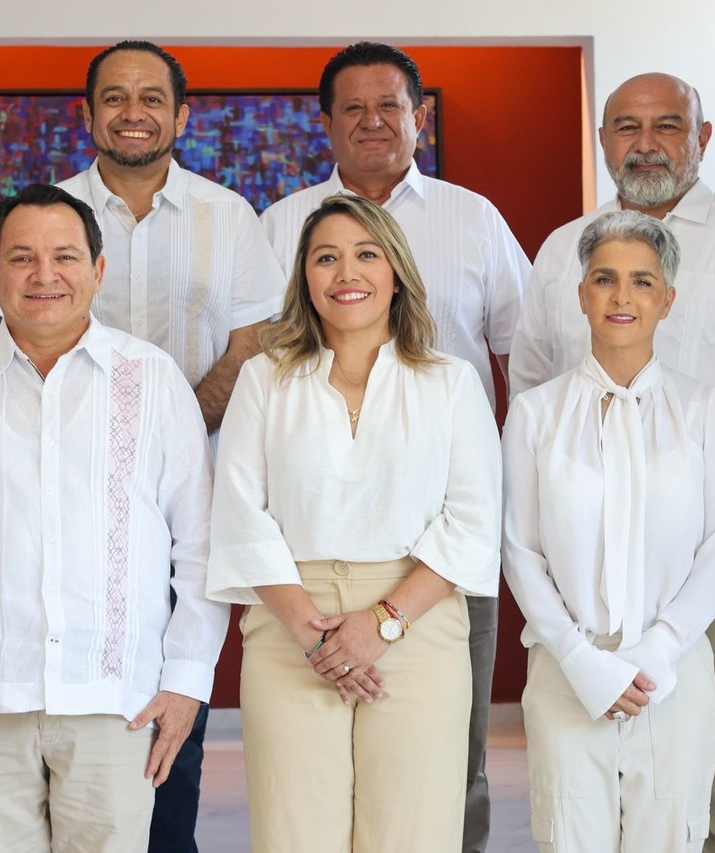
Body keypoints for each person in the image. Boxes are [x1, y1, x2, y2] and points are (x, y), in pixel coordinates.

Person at [510, 73, 715, 853]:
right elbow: (533, 375)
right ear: (604, 140)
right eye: (626, 125)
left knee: (708, 744)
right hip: (581, 537)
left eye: (666, 125)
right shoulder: (563, 249)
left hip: (707, 544)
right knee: (583, 752)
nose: (645, 142)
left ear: (702, 138)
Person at [0, 184, 230, 853]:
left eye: (64, 256)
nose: (44, 275)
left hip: (117, 702)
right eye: (22, 257)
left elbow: (201, 549)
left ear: (98, 270)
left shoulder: (153, 380)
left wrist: (186, 681)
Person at [260, 43, 529, 851]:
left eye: (390, 105)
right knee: (307, 791)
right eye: (353, 108)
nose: (373, 122)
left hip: (438, 555)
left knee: (448, 764)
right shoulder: (279, 225)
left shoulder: (472, 218)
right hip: (309, 550)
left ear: (422, 116)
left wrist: (488, 495)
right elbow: (260, 368)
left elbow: (526, 357)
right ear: (328, 123)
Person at [208, 195, 501, 851]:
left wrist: (382, 622)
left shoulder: (449, 383)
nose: (347, 272)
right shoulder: (264, 378)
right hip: (292, 626)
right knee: (295, 831)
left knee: (412, 831)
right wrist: (315, 636)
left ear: (395, 272)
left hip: (418, 626)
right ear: (305, 278)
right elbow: (239, 514)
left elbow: (474, 522)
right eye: (326, 257)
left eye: (367, 254)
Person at [56, 40, 285, 850]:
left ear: (181, 115)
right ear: (87, 114)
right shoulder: (50, 214)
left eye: (151, 98)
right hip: (68, 495)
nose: (132, 112)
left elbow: (251, 342)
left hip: (191, 494)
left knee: (171, 704)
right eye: (113, 97)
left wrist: (169, 435)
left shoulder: (231, 217)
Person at [503, 210, 715, 850]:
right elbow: (520, 550)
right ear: (582, 295)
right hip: (565, 670)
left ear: (667, 300)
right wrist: (582, 661)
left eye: (642, 282)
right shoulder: (533, 415)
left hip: (673, 674)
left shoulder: (705, 409)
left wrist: (657, 650)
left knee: (670, 836)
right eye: (605, 279)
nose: (622, 297)